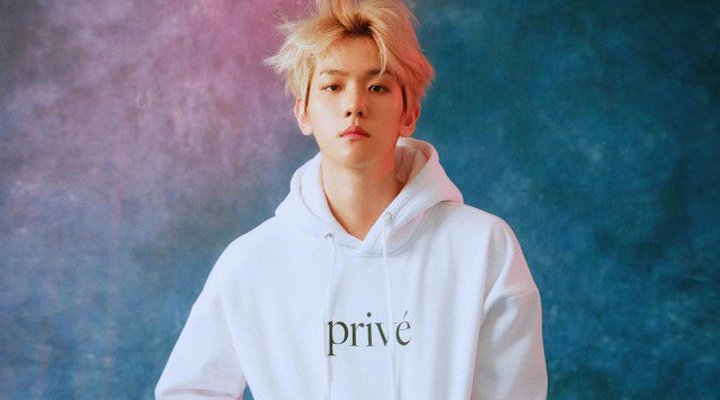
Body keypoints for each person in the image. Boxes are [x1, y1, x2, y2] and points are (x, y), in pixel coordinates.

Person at [155, 0, 547, 399]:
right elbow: (188, 390)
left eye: (377, 87)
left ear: (409, 114)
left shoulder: (484, 247)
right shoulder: (252, 261)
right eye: (332, 86)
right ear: (303, 112)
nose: (354, 105)